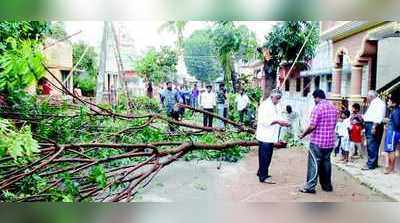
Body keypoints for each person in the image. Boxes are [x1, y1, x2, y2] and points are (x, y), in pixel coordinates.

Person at [299, 89, 338, 194]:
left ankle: (310, 187)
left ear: (316, 97)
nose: (314, 100)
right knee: (326, 163)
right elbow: (334, 124)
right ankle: (327, 186)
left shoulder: (317, 108)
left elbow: (312, 126)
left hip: (317, 141)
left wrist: (303, 134)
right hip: (329, 141)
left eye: (314, 98)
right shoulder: (334, 108)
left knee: (314, 163)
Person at [255, 89, 289, 184]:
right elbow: (264, 121)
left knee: (266, 155)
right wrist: (278, 122)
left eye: (279, 99)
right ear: (271, 97)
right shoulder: (264, 105)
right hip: (265, 135)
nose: (278, 100)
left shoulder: (276, 105)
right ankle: (263, 177)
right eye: (277, 98)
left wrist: (284, 122)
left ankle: (260, 172)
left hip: (271, 135)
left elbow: (278, 116)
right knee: (265, 156)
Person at [362, 90, 386, 170]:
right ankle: (373, 163)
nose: (367, 97)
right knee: (372, 144)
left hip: (373, 125)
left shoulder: (379, 103)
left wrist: (374, 127)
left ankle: (371, 164)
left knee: (372, 144)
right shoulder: (374, 102)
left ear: (371, 96)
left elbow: (379, 116)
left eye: (367, 96)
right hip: (371, 124)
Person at [383, 94, 400, 174]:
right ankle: (390, 167)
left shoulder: (396, 111)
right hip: (391, 132)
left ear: (394, 103)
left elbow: (397, 123)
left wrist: (389, 123)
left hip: (392, 132)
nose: (387, 102)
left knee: (391, 150)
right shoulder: (394, 111)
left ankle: (391, 168)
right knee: (390, 150)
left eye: (389, 101)